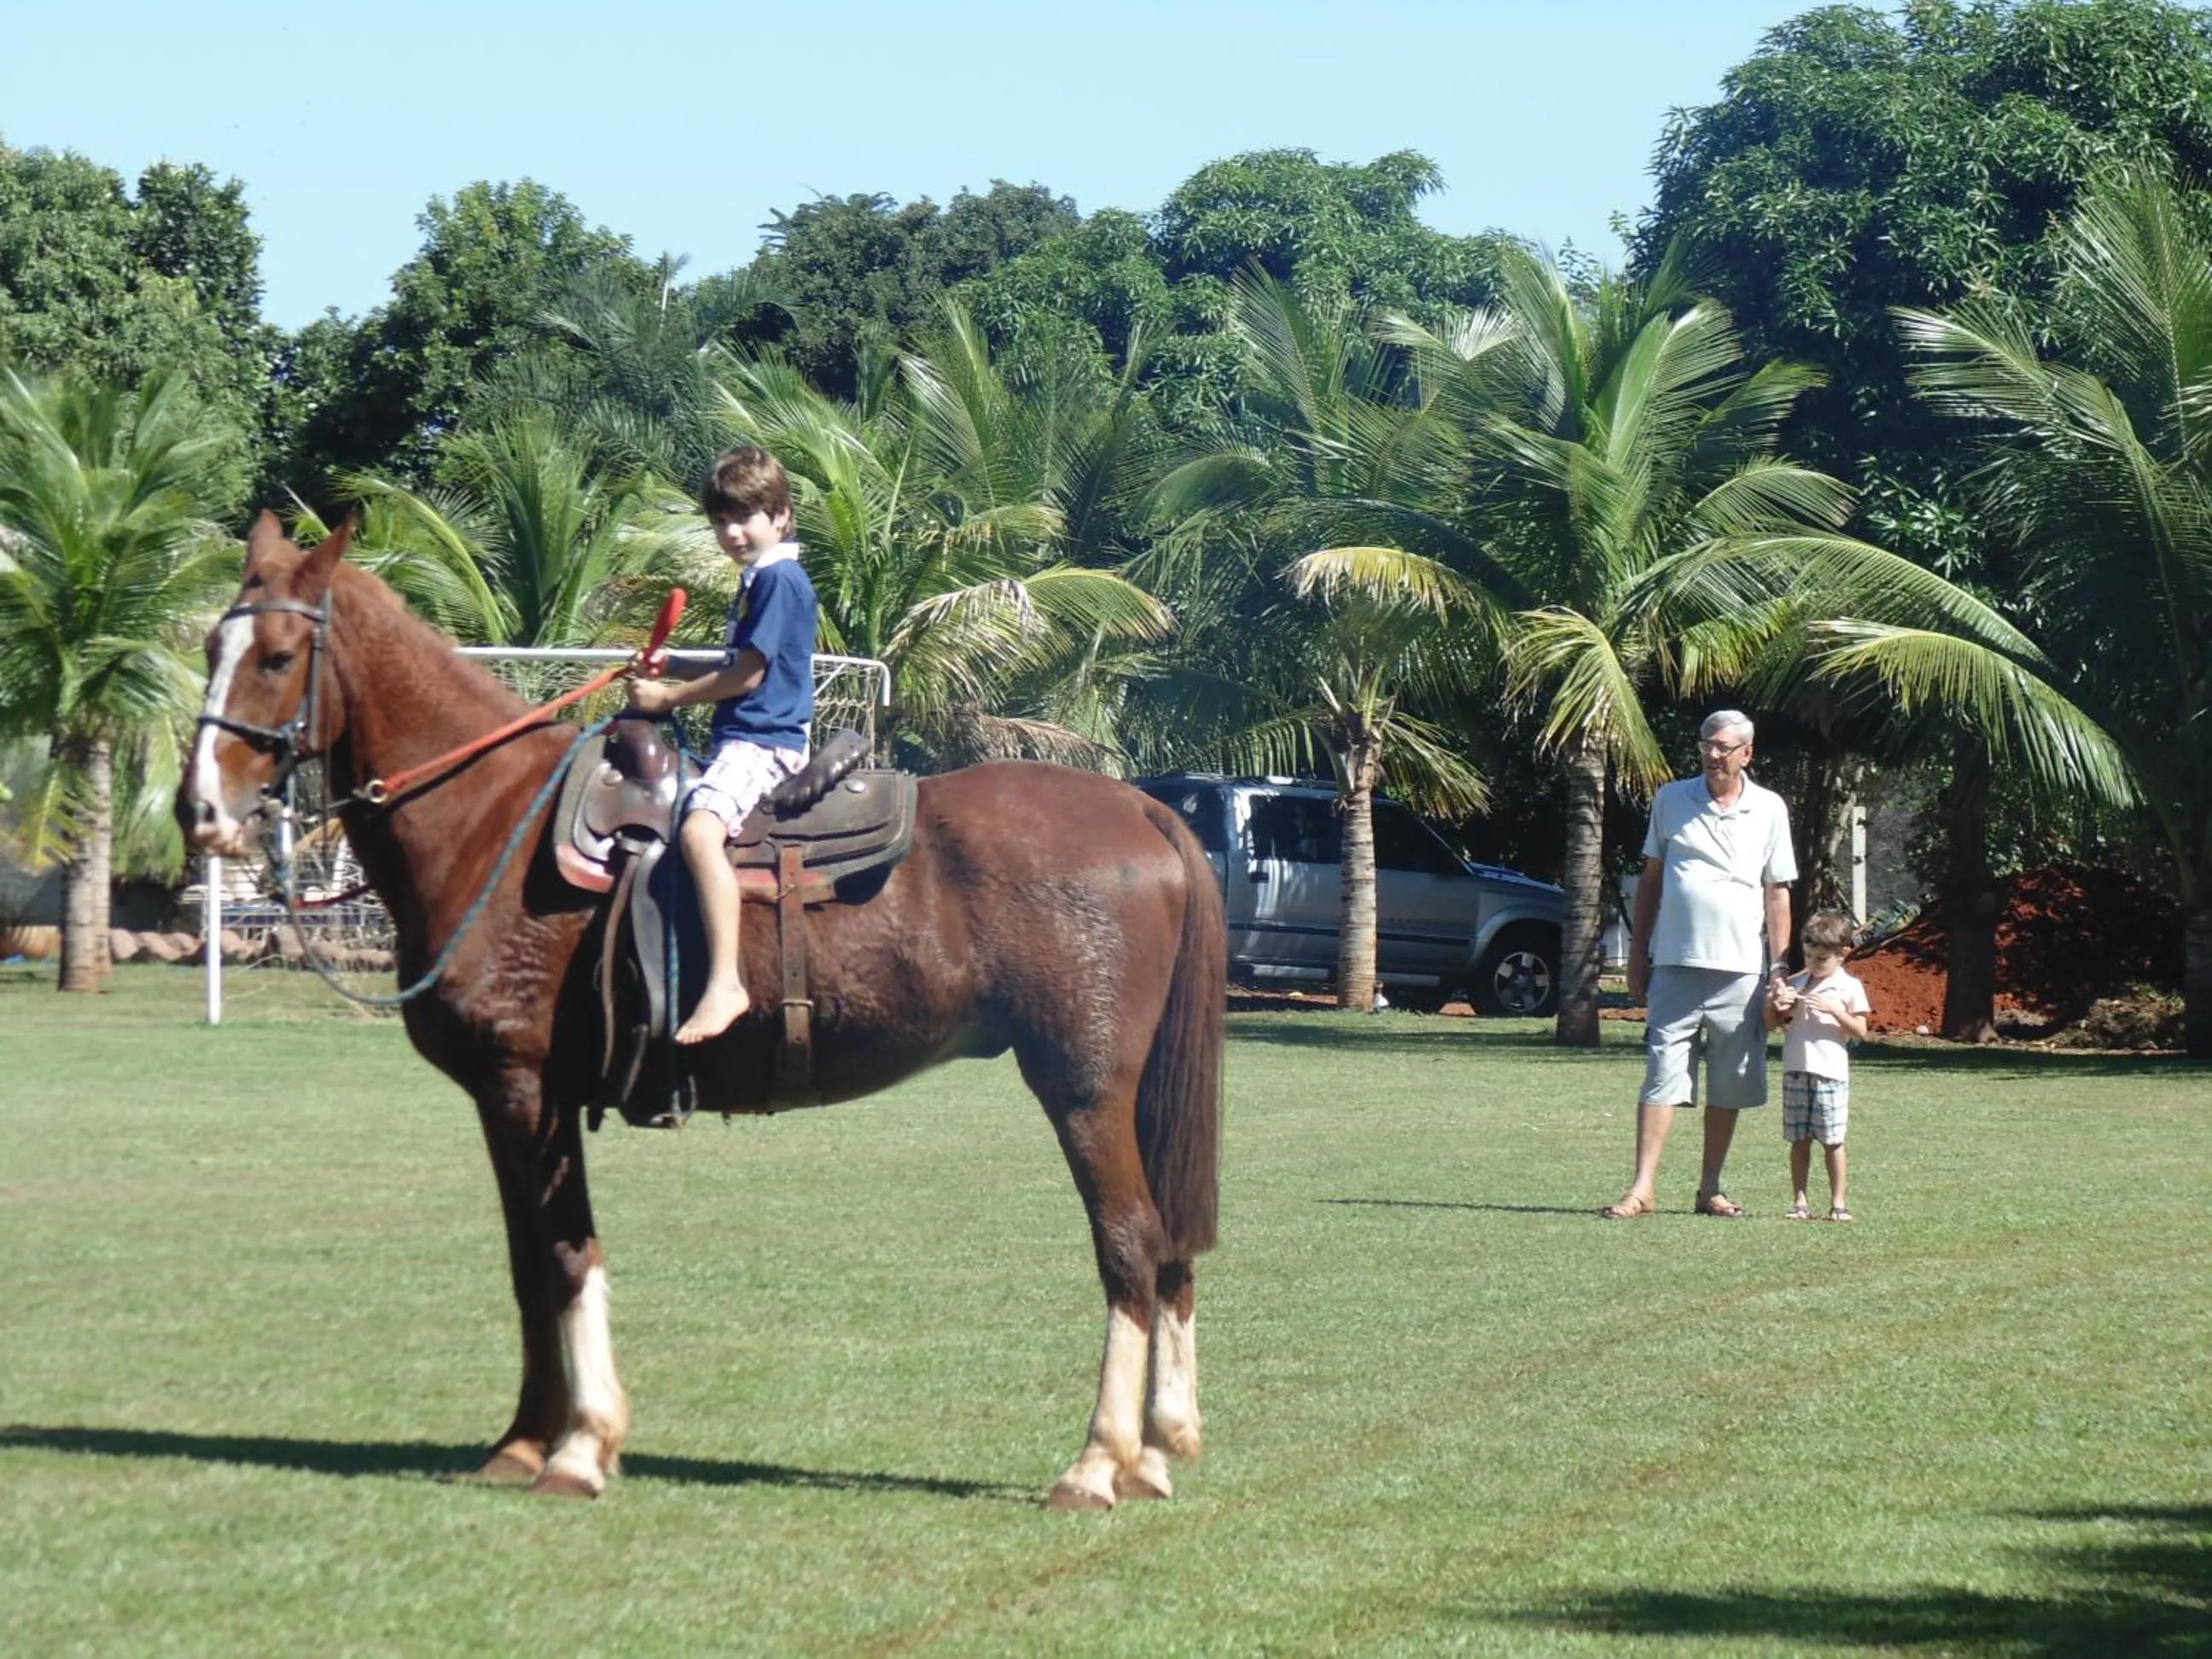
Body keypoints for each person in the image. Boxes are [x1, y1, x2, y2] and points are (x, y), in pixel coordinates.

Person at [628, 445, 818, 1045]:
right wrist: (675, 661)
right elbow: (738, 659)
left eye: (746, 517)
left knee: (698, 831)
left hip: (764, 742)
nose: (732, 532)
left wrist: (665, 700)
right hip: (748, 736)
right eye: (720, 521)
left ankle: (725, 983)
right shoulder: (760, 578)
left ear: (781, 516)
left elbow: (749, 677)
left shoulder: (779, 580)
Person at [1602, 710, 1796, 1220]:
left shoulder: (1771, 809)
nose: (1714, 754)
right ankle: (1642, 1188)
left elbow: (1777, 894)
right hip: (1675, 964)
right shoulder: (1670, 799)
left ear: (1746, 754)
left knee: (1729, 1082)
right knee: (1661, 1074)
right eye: (1707, 745)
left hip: (1742, 971)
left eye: (1725, 747)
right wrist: (1640, 955)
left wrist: (1779, 969)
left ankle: (1710, 1187)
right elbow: (1651, 880)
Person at [1765, 909, 1871, 1222]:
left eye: (1822, 958)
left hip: (1830, 1074)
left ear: (1842, 955)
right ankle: (1800, 1202)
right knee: (1799, 1140)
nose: (1814, 963)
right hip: (1796, 1070)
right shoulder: (1795, 982)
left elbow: (1861, 1032)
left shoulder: (1849, 986)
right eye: (1809, 955)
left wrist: (1835, 1010)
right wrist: (1777, 1004)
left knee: (1832, 1141)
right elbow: (1773, 1024)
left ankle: (1838, 1203)